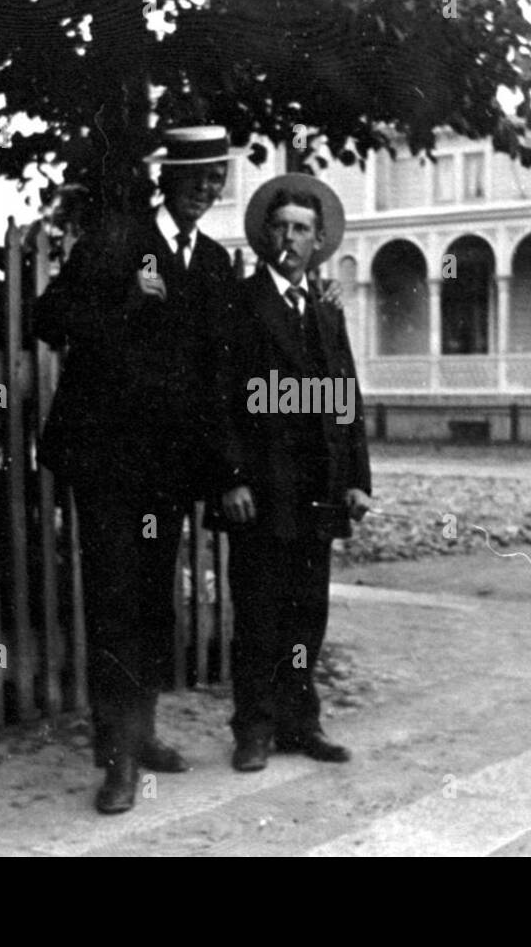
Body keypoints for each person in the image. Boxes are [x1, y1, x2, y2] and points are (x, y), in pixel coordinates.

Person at [34, 125, 235, 814]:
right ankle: (117, 762)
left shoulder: (211, 263)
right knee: (115, 603)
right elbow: (47, 315)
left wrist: (220, 471)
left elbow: (215, 378)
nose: (208, 189)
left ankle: (140, 733)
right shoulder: (118, 241)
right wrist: (127, 305)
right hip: (108, 462)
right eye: (196, 176)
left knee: (153, 603)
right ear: (168, 178)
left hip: (167, 471)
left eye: (218, 177)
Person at [210, 174, 373, 773]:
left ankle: (300, 722)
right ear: (263, 238)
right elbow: (219, 400)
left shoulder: (327, 313)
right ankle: (253, 728)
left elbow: (346, 398)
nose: (289, 238)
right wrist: (230, 478)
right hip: (260, 490)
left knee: (308, 613)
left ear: (318, 239)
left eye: (301, 228)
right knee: (257, 613)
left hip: (318, 491)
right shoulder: (240, 306)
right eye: (279, 228)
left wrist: (357, 478)